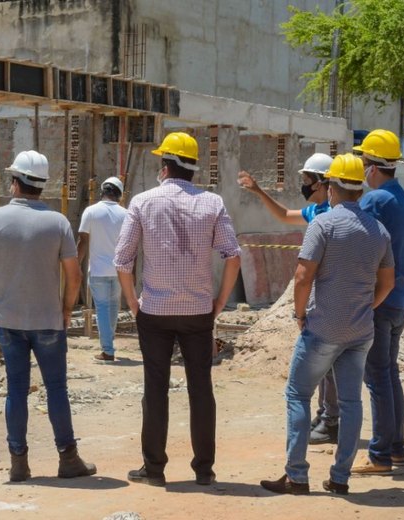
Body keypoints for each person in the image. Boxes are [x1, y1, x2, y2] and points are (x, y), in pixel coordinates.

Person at [0, 150, 96, 482]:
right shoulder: (57, 222)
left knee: (15, 390)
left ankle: (19, 463)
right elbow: (74, 275)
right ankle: (68, 459)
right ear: (42, 185)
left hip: (8, 321)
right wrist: (65, 309)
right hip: (48, 321)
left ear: (14, 182)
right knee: (56, 388)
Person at [260, 153, 395, 495]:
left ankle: (297, 476)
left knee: (298, 394)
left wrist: (300, 314)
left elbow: (303, 276)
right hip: (361, 331)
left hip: (323, 328)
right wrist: (368, 306)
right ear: (360, 191)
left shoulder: (324, 224)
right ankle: (340, 477)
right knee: (351, 403)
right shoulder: (378, 231)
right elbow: (388, 283)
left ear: (332, 187)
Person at [114, 131, 241, 487]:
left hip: (154, 310)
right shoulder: (213, 204)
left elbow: (123, 262)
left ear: (164, 166)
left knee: (155, 388)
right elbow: (233, 256)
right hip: (199, 311)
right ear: (193, 169)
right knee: (201, 388)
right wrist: (218, 302)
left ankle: (154, 469)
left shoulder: (141, 201)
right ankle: (204, 470)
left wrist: (133, 304)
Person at [237, 153, 341, 445]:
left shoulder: (331, 216)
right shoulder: (317, 211)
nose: (304, 185)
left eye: (308, 180)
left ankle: (331, 420)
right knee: (326, 366)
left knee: (328, 364)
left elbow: (303, 274)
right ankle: (326, 415)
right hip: (324, 298)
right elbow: (284, 215)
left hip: (330, 298)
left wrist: (300, 313)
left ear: (323, 183)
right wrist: (258, 191)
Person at [351, 129, 404, 475]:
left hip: (378, 300)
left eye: (363, 162)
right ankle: (396, 449)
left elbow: (354, 236)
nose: (361, 169)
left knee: (377, 378)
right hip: (400, 299)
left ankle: (379, 455)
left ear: (373, 166)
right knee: (389, 375)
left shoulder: (375, 201)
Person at [77, 176, 128, 361]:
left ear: (102, 192)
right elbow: (131, 245)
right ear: (120, 195)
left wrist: (76, 265)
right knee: (113, 307)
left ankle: (108, 350)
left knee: (103, 309)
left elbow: (83, 241)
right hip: (120, 271)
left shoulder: (90, 212)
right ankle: (109, 343)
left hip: (98, 271)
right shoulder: (125, 214)